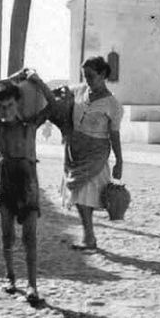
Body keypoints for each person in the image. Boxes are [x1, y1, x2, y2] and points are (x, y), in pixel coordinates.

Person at [0, 69, 54, 306]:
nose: (5, 111)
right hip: (5, 179)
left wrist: (37, 80)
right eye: (0, 107)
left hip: (28, 180)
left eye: (9, 105)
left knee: (30, 236)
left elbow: (52, 103)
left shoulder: (30, 125)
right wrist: (16, 76)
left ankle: (32, 284)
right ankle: (10, 276)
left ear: (17, 104)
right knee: (7, 234)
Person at [51, 56, 123, 251]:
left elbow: (114, 134)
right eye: (84, 76)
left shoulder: (113, 105)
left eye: (91, 76)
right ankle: (89, 237)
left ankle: (89, 237)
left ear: (102, 75)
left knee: (86, 195)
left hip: (96, 153)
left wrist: (119, 162)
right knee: (79, 195)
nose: (87, 80)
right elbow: (60, 96)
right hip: (75, 150)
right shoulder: (80, 91)